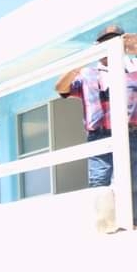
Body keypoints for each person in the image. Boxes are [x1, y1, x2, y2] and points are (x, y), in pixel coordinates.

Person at [55, 24, 137, 224]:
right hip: (99, 136)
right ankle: (104, 226)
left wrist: (133, 46)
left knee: (132, 181)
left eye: (116, 40)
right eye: (105, 42)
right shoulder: (87, 73)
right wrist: (77, 64)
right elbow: (61, 88)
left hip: (132, 134)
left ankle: (132, 224)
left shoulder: (134, 68)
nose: (111, 46)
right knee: (99, 182)